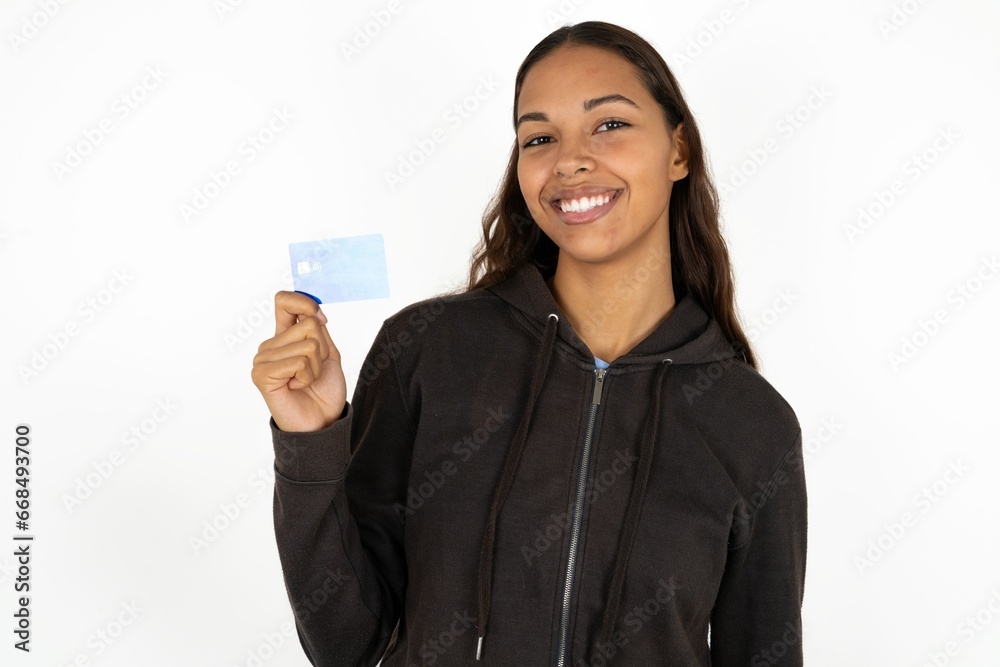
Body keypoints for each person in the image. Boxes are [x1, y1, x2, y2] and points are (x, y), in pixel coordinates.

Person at [252, 20, 807, 667]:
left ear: (678, 150)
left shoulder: (752, 423)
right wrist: (311, 439)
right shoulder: (429, 350)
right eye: (539, 137)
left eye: (609, 124)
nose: (570, 159)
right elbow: (346, 641)